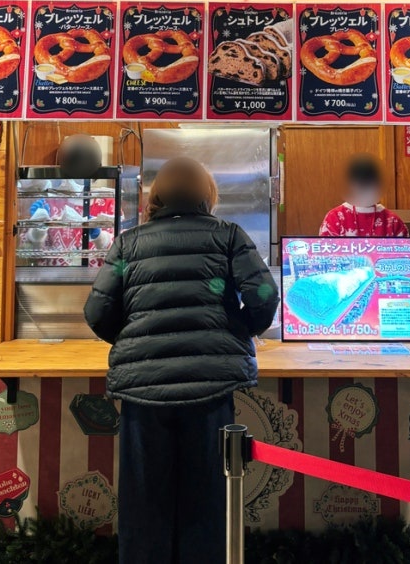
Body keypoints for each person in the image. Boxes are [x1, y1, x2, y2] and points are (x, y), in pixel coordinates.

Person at [84, 157, 278, 564]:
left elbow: (97, 313)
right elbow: (263, 296)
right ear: (207, 194)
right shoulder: (228, 236)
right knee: (207, 504)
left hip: (143, 397)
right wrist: (238, 329)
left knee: (143, 507)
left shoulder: (128, 242)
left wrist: (136, 339)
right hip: (211, 392)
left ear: (157, 196)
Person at [320, 153, 409, 238]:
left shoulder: (393, 221)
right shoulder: (335, 218)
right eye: (361, 185)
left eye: (369, 184)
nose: (365, 189)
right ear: (350, 185)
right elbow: (324, 251)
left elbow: (407, 252)